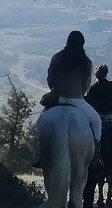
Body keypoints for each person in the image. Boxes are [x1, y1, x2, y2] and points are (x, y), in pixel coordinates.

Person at [33, 31, 102, 172]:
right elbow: (86, 85)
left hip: (57, 98)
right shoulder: (85, 62)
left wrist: (55, 90)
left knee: (39, 122)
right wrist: (79, 92)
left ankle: (40, 155)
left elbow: (50, 78)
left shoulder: (57, 57)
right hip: (77, 99)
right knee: (96, 122)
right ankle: (95, 159)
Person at [85, 65, 112, 161]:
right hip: (110, 114)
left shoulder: (92, 88)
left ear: (96, 75)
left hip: (96, 115)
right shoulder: (111, 85)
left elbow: (88, 101)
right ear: (106, 74)